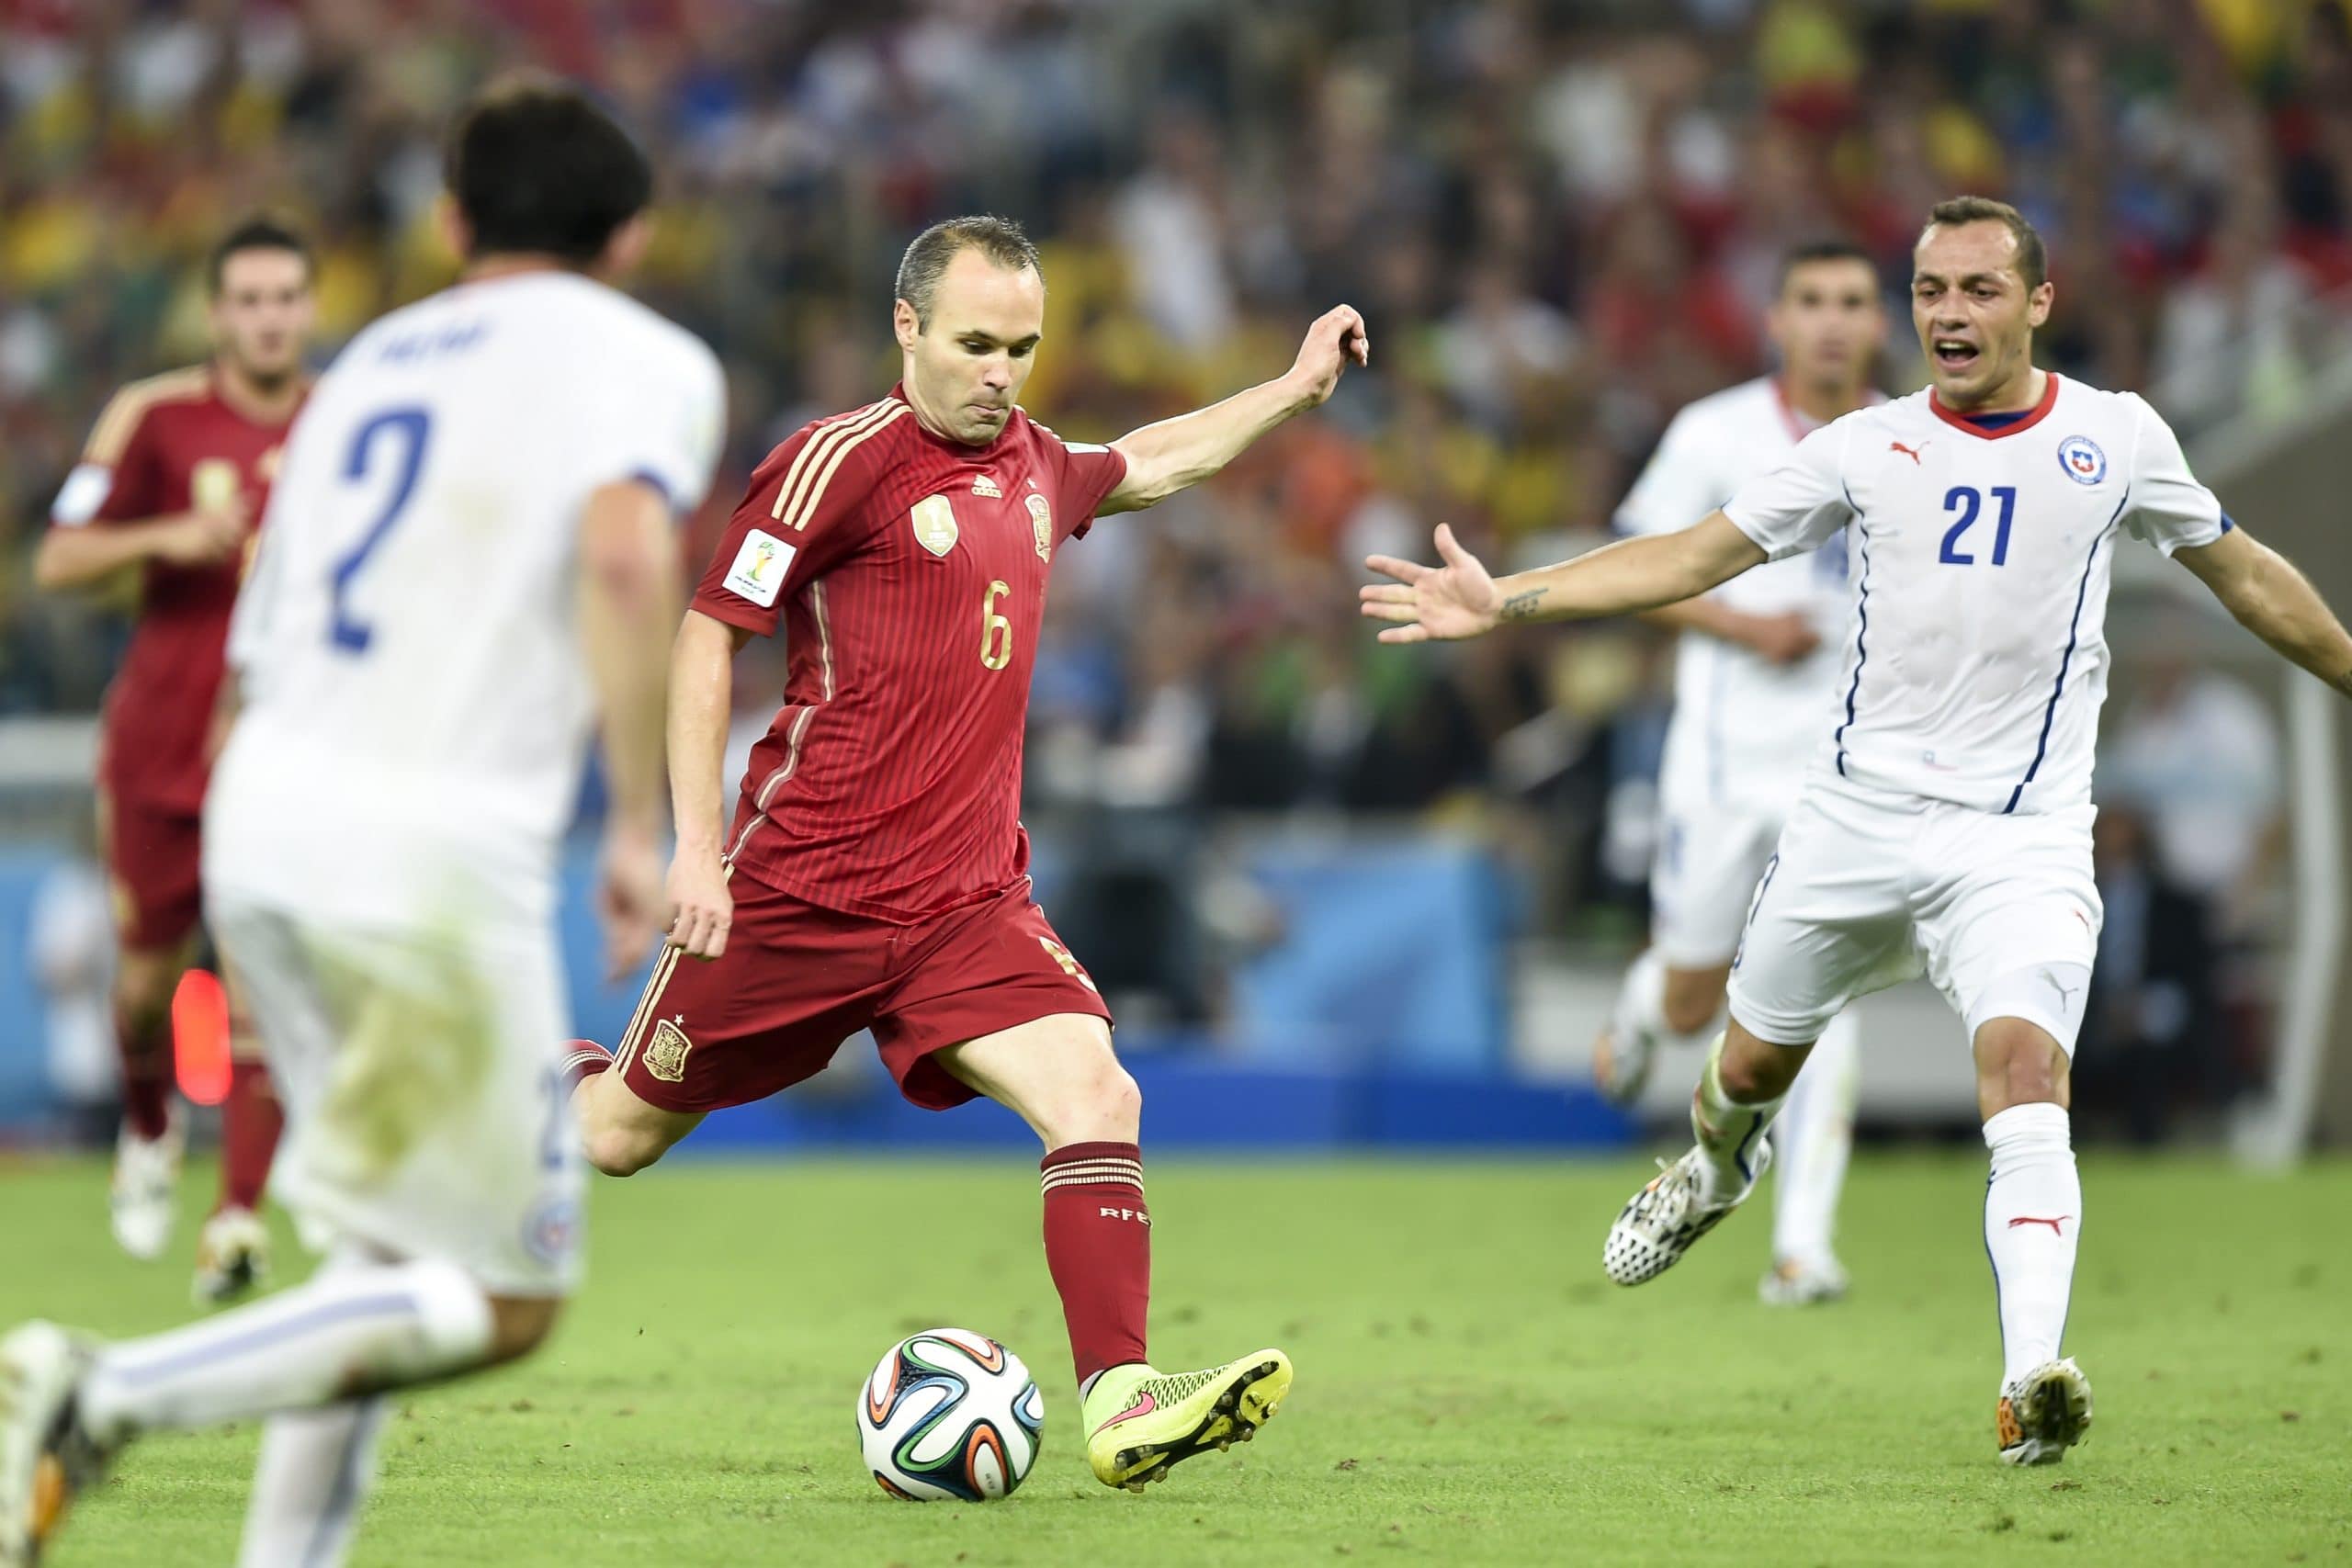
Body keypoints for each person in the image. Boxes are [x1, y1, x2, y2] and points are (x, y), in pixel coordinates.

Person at [1361, 196, 2352, 1466]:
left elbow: (2249, 571)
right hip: (1855, 828)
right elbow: (1693, 555)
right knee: (1744, 1073)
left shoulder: (2118, 438)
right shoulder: (1864, 447)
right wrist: (1511, 602)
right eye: (1932, 290)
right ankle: (1717, 1174)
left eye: (1980, 290)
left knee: (2025, 1071)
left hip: (2022, 841)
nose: (1950, 313)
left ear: (2039, 303)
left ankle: (2029, 1372)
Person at [0, 74, 723, 1567]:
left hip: (262, 827)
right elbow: (623, 550)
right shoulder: (640, 356)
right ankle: (100, 1387)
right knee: (507, 1293)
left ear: (453, 223)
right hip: (429, 857)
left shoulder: (366, 369)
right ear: (635, 237)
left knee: (383, 1263)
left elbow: (256, 653)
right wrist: (642, 828)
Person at [563, 215, 1366, 1494]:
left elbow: (1146, 460)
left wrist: (1290, 387)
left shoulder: (1040, 465)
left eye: (1025, 348)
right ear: (909, 328)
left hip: (966, 903)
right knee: (611, 1137)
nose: (1002, 372)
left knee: (1100, 1095)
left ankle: (1119, 1395)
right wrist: (698, 850)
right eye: (978, 343)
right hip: (796, 891)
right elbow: (711, 635)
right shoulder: (833, 465)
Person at [1596, 239, 1887, 1307]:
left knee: (1823, 993)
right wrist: (1740, 625)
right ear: (1775, 318)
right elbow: (1634, 567)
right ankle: (1638, 1010)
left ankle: (1800, 1248)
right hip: (1720, 766)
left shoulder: (1906, 439)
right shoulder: (1712, 432)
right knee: (1690, 999)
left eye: (1852, 302)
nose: (1831, 322)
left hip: (1845, 770)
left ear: (1877, 322)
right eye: (1810, 300)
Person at [32, 217, 317, 1302]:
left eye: (286, 297)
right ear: (216, 314)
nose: (268, 318)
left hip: (280, 750)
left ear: (308, 306)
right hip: (156, 746)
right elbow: (60, 556)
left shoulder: (345, 424)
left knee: (260, 985)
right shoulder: (151, 417)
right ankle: (149, 1125)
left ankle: (236, 1219)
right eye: (248, 299)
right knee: (146, 987)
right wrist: (160, 538)